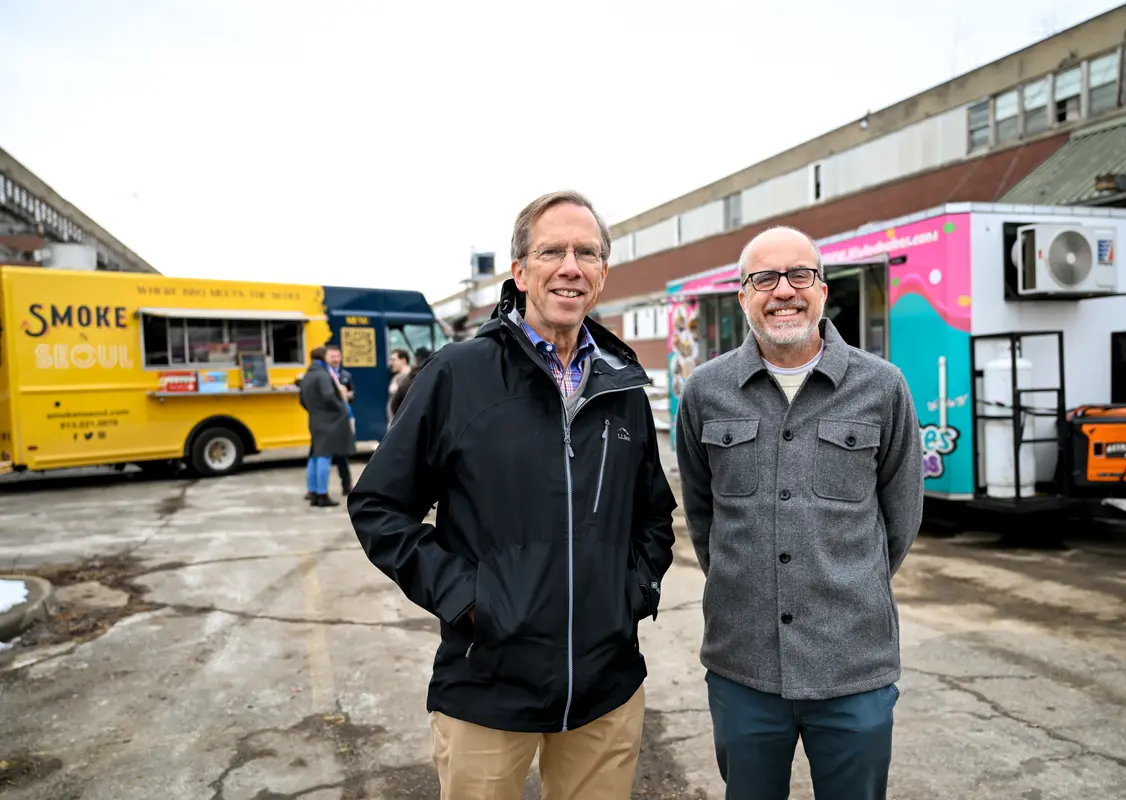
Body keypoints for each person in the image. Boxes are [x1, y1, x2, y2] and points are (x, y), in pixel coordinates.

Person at [347, 190, 678, 799]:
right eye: (552, 251)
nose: (570, 266)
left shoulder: (622, 385)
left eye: (587, 253)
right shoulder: (458, 374)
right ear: (520, 272)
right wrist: (471, 600)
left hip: (606, 690)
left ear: (603, 273)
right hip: (487, 685)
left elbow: (654, 513)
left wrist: (631, 592)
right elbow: (378, 506)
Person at [674, 226, 924, 800]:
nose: (783, 290)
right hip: (744, 667)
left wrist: (845, 581)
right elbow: (702, 516)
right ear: (743, 295)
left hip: (853, 667)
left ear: (822, 288)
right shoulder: (706, 392)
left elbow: (900, 518)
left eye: (799, 275)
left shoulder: (882, 387)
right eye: (764, 278)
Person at [299, 346, 356, 508]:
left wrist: (314, 411)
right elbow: (329, 396)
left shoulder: (308, 375)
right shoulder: (323, 375)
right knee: (324, 455)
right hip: (330, 421)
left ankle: (313, 491)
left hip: (315, 419)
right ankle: (322, 494)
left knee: (315, 455)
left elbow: (302, 399)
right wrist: (341, 409)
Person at [324, 344, 356, 495]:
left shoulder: (346, 375)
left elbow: (352, 395)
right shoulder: (324, 375)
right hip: (329, 419)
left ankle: (347, 486)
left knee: (343, 454)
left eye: (338, 356)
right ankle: (318, 490)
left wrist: (348, 395)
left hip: (344, 418)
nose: (336, 359)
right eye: (332, 356)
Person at [386, 348, 411, 425]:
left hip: (400, 423)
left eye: (393, 360)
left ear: (403, 360)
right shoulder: (397, 377)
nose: (391, 363)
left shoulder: (406, 377)